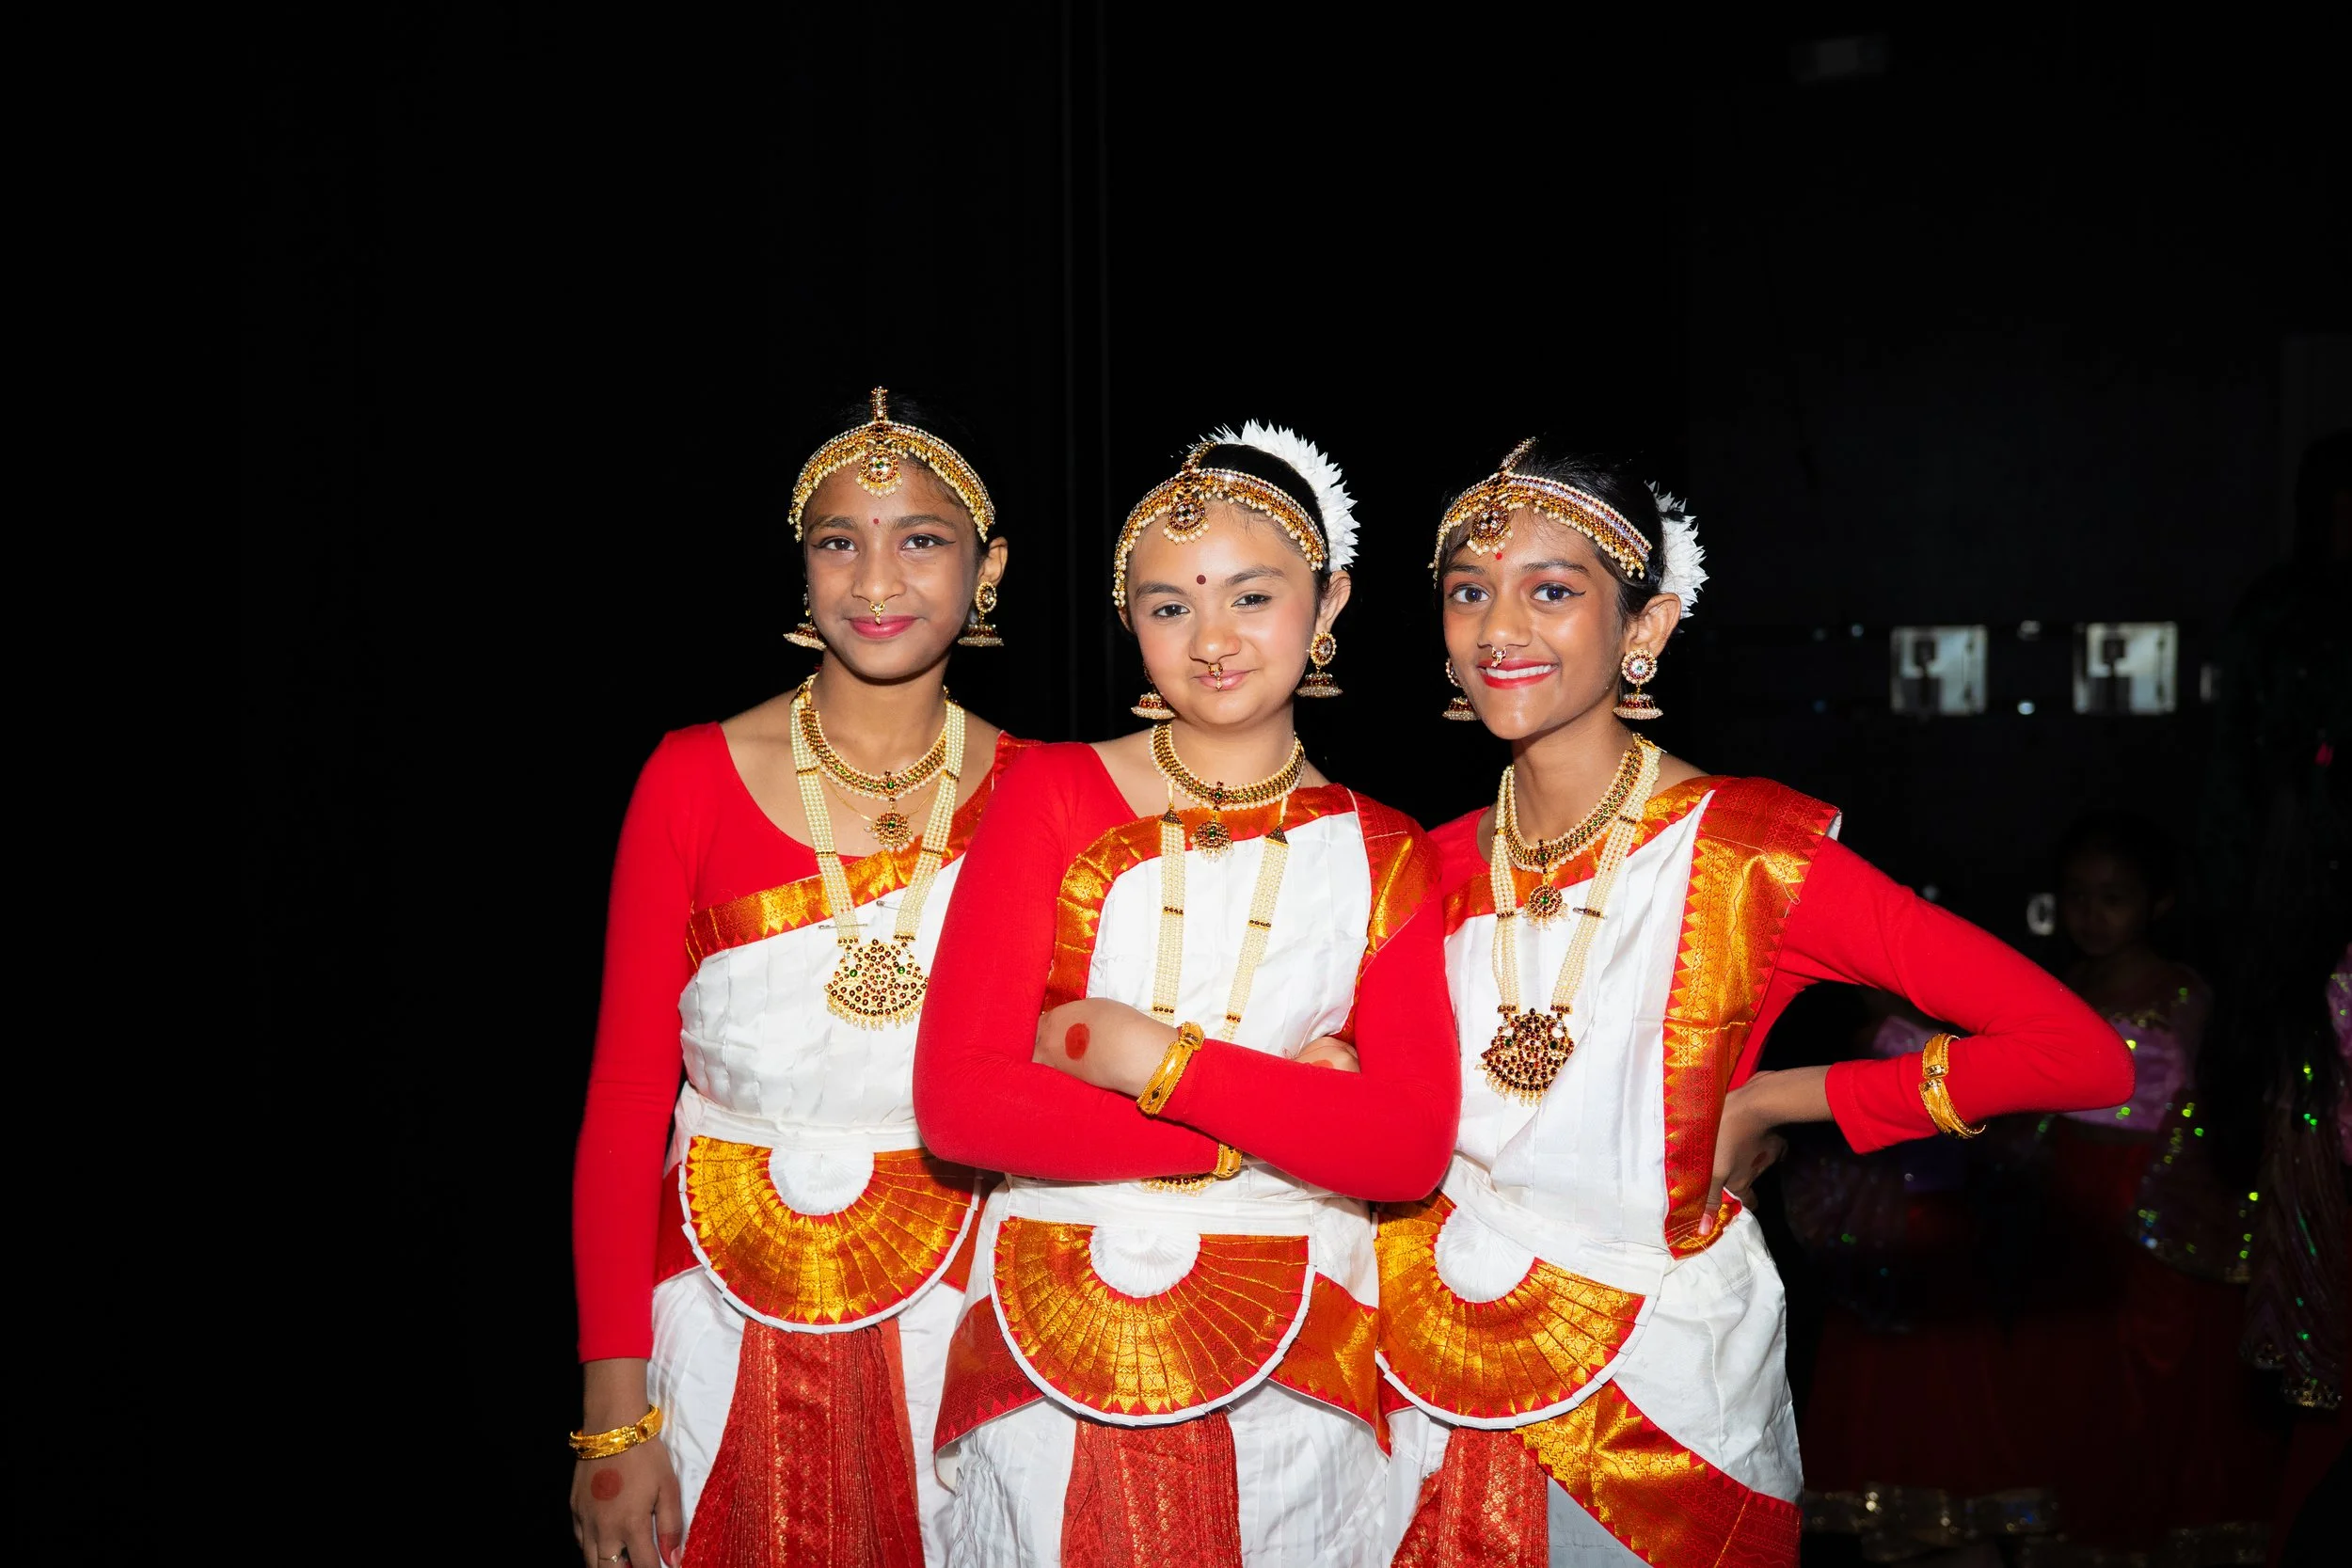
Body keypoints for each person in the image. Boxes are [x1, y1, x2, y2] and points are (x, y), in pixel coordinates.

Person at [1380, 440, 2133, 1567]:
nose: (1500, 628)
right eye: (1468, 592)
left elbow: (2076, 1052)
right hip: (1428, 1397)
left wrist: (1780, 1095)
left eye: (1551, 590)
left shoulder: (1749, 856)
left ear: (1645, 629)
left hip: (1661, 1420)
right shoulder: (1418, 867)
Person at [912, 424, 1459, 1566]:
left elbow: (1403, 1148)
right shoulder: (1049, 791)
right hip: (1046, 1327)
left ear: (1329, 600)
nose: (1211, 640)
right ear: (1130, 624)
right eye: (1168, 607)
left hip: (1296, 1376)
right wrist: (1266, 1129)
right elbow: (961, 1105)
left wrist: (1138, 1053)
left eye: (1250, 596)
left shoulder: (1387, 848)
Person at [568, 390, 1032, 1568]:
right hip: (712, 1315)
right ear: (802, 566)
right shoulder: (690, 775)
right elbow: (627, 1098)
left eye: (920, 538)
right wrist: (613, 1416)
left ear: (988, 568)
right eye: (840, 540)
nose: (877, 579)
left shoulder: (1046, 789)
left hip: (964, 1308)